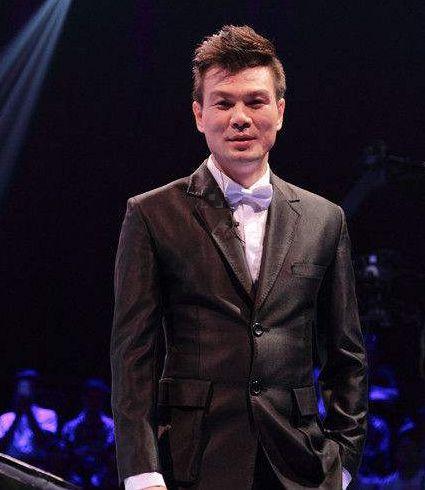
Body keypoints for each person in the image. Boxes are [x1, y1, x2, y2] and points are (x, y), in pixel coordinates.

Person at [111, 25, 368, 490]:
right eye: (223, 103)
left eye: (255, 101)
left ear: (280, 111)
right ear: (199, 114)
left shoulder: (325, 219)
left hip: (302, 467)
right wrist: (141, 471)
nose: (241, 118)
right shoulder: (152, 214)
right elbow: (133, 355)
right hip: (192, 461)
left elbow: (346, 353)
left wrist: (343, 462)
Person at [60, 378, 116, 488]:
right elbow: (64, 456)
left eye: (97, 397)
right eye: (90, 397)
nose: (94, 401)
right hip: (75, 480)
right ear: (84, 398)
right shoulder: (71, 427)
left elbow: (113, 457)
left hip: (103, 481)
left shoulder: (111, 427)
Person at [0, 369, 58, 471]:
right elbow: (2, 445)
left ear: (36, 390)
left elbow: (45, 443)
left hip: (36, 466)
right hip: (9, 465)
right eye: (21, 387)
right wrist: (17, 417)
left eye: (29, 387)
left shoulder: (48, 415)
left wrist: (28, 412)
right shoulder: (5, 418)